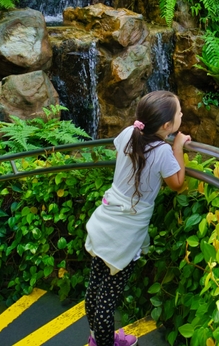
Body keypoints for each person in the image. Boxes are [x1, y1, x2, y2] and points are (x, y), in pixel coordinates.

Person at [84, 91, 191, 346]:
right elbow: (177, 184)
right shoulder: (163, 152)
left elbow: (124, 158)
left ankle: (97, 338)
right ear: (167, 126)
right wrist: (177, 147)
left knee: (95, 288)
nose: (182, 114)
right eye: (179, 112)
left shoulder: (128, 133)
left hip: (106, 222)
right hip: (125, 236)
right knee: (107, 301)